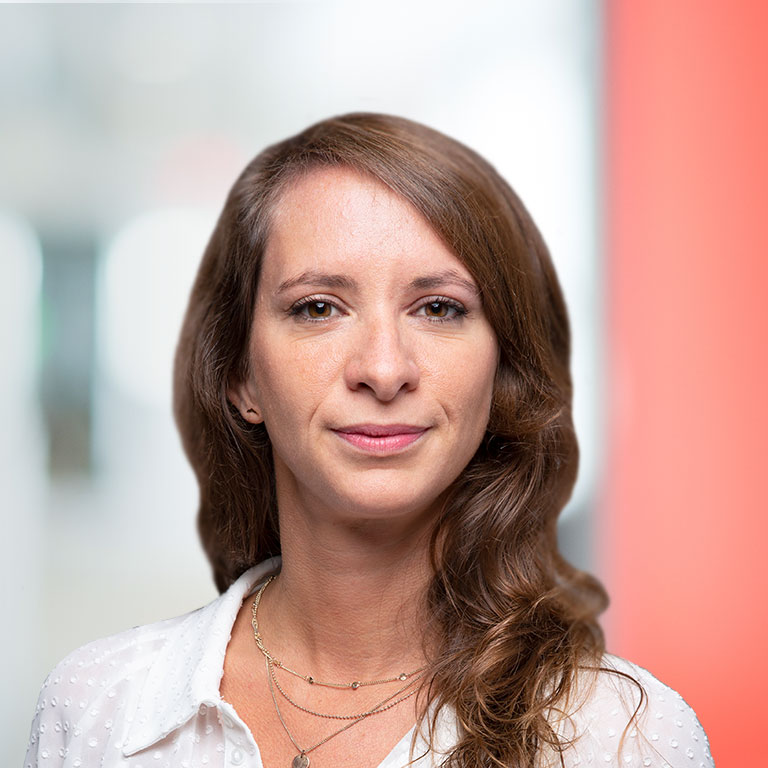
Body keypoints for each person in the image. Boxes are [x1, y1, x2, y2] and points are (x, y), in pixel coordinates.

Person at [24, 113, 714, 768]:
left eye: (438, 308)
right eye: (318, 308)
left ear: (501, 370)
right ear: (240, 375)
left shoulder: (628, 737)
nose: (384, 370)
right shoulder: (96, 711)